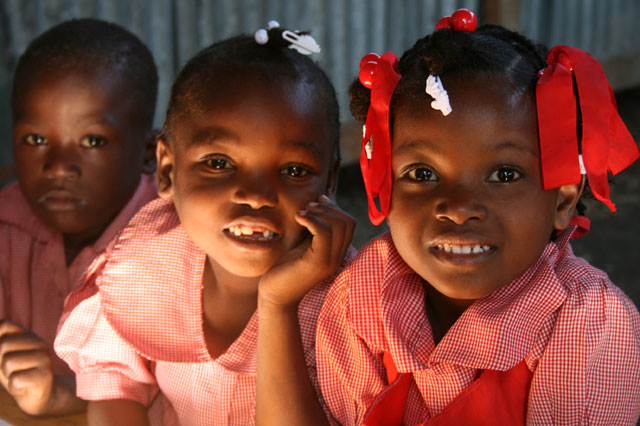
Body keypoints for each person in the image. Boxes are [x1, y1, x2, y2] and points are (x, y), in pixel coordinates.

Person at [315, 9, 640, 425]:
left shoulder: (588, 324)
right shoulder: (360, 296)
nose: (459, 207)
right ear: (383, 187)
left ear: (562, 198)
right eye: (422, 174)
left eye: (504, 174)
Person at [54, 22, 354, 426]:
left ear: (330, 182)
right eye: (219, 164)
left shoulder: (351, 301)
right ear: (167, 168)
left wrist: (278, 304)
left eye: (294, 170)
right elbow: (116, 386)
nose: (257, 195)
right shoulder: (150, 261)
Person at [0, 18, 158, 416]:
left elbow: (173, 393)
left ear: (149, 152)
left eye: (92, 141)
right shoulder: (6, 226)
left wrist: (56, 394)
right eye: (36, 139)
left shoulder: (176, 247)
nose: (57, 167)